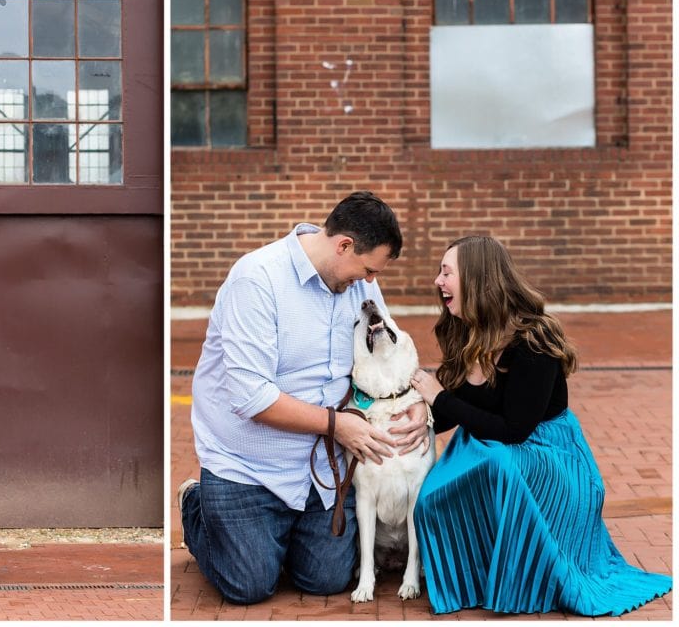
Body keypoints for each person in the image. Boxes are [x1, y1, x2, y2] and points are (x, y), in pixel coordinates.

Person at [178, 191, 430, 605]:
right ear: (344, 245)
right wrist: (337, 424)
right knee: (248, 585)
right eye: (367, 270)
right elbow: (251, 397)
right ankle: (196, 502)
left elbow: (390, 348)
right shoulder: (256, 279)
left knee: (327, 580)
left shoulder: (357, 283)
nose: (369, 282)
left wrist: (415, 398)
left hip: (320, 470)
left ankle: (274, 538)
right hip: (250, 466)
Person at [410, 236, 672, 616]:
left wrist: (438, 398)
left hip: (550, 456)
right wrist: (423, 417)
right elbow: (459, 407)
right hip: (494, 444)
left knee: (497, 462)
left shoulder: (534, 341)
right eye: (440, 272)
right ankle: (475, 570)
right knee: (436, 493)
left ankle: (526, 572)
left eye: (447, 272)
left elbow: (515, 428)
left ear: (479, 279)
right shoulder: (467, 332)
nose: (438, 281)